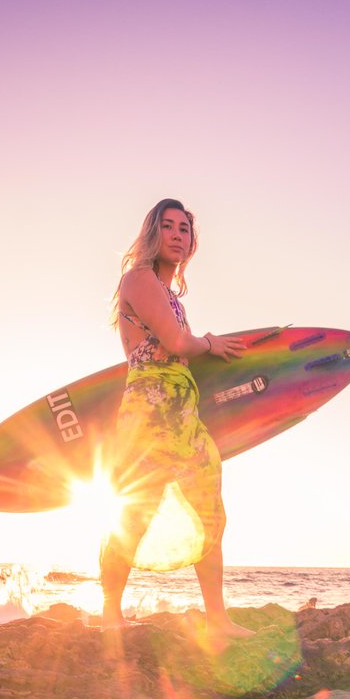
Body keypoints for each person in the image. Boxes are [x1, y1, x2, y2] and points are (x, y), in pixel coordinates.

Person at [102, 198, 253, 639]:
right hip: (150, 409)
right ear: (152, 233)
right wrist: (210, 343)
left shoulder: (168, 294)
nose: (176, 234)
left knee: (209, 511)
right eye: (167, 226)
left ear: (191, 242)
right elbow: (176, 342)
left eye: (184, 229)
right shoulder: (139, 278)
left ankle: (217, 620)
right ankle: (110, 614)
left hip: (182, 409)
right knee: (135, 513)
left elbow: (178, 344)